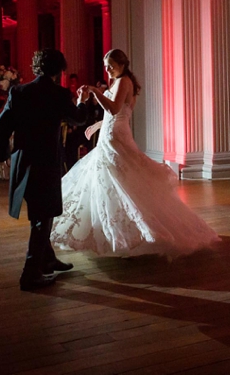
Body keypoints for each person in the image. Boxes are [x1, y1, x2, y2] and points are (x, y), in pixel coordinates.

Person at [51, 49, 220, 257]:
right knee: (110, 179)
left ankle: (135, 231)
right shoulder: (118, 82)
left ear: (122, 64)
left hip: (116, 137)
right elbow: (117, 113)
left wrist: (96, 92)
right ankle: (108, 232)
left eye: (111, 65)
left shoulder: (124, 81)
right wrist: (97, 125)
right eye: (106, 66)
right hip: (110, 132)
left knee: (122, 178)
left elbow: (114, 109)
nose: (107, 69)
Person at [0, 49, 89, 291]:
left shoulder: (19, 91)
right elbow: (78, 119)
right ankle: (30, 274)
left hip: (23, 162)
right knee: (42, 219)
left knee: (38, 214)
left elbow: (2, 125)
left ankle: (47, 259)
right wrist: (81, 101)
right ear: (59, 70)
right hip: (46, 163)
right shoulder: (59, 94)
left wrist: (3, 153)